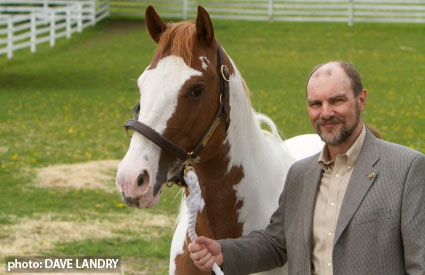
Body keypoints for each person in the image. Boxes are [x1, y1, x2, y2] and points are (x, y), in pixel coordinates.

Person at [188, 61, 425, 274]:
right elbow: (277, 244)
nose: (326, 113)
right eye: (315, 104)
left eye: (337, 100)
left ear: (361, 100)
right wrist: (224, 252)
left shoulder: (406, 169)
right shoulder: (300, 174)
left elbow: (420, 263)